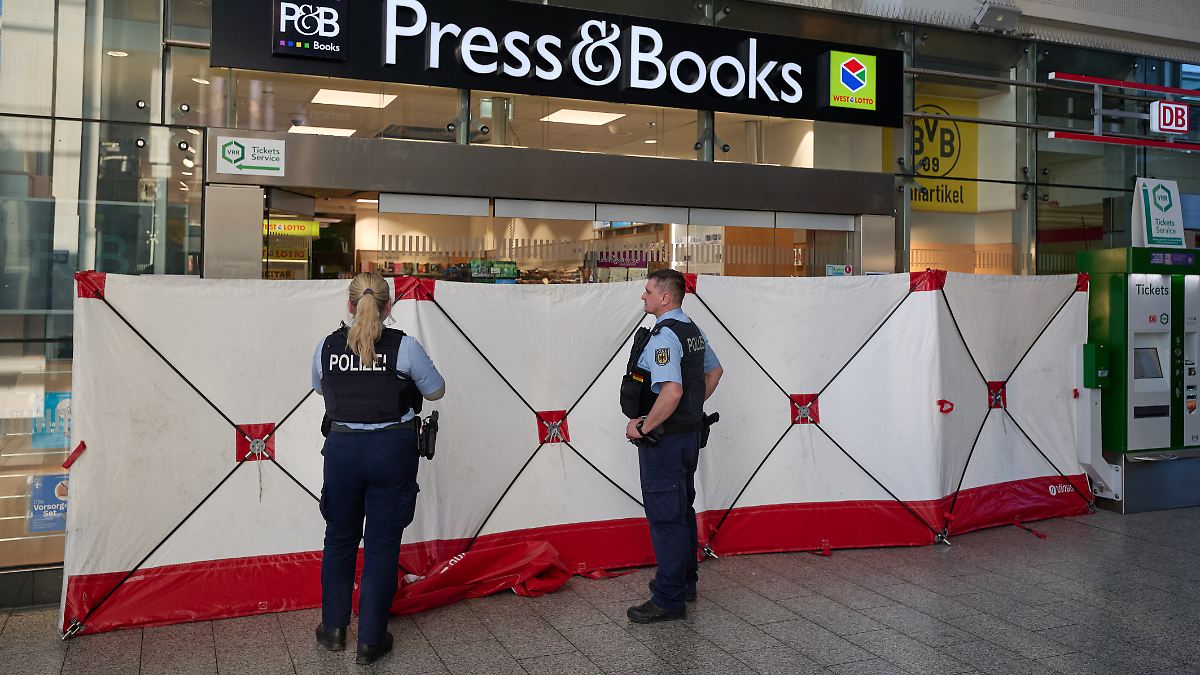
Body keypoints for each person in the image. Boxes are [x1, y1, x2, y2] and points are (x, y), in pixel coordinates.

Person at [311, 272, 445, 664]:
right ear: (389, 306)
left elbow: (321, 388)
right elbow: (436, 390)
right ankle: (370, 640)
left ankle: (333, 630)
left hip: (342, 452)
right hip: (391, 449)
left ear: (350, 305)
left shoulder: (326, 346)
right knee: (382, 546)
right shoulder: (404, 347)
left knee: (339, 540)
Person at [622, 269, 723, 623]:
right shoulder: (691, 330)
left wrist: (644, 427)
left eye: (648, 290)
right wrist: (688, 413)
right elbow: (715, 371)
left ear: (665, 297)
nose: (643, 296)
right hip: (688, 437)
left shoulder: (664, 337)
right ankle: (684, 582)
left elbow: (672, 390)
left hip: (665, 441)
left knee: (666, 516)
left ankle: (668, 599)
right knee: (681, 509)